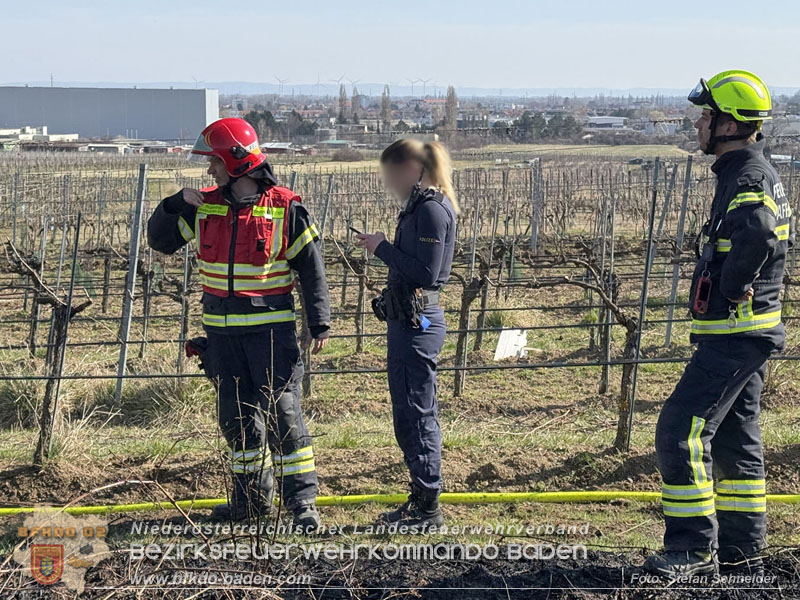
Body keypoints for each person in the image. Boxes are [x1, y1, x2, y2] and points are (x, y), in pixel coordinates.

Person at [147, 118, 330, 532]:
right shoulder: (203, 206)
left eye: (213, 161)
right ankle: (250, 503)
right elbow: (159, 241)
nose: (209, 170)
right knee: (237, 421)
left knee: (286, 418)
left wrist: (318, 322)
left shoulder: (286, 207)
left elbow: (312, 270)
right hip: (223, 339)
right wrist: (175, 203)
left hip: (271, 336)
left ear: (234, 160)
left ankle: (302, 504)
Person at [644, 71, 794, 576]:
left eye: (706, 116)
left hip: (736, 333)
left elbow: (757, 234)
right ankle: (742, 549)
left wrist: (730, 289)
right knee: (735, 441)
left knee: (679, 432)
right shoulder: (746, 171)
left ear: (729, 124)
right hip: (744, 334)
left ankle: (690, 550)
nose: (699, 125)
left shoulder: (748, 175)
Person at [356, 139, 459, 530]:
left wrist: (381, 247)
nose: (390, 182)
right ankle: (420, 495)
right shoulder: (419, 207)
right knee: (408, 413)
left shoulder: (431, 209)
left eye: (393, 173)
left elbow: (427, 273)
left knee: (417, 414)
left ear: (414, 168)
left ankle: (428, 507)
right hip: (409, 320)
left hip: (420, 323)